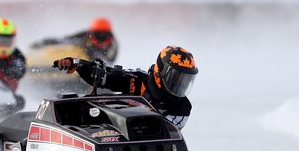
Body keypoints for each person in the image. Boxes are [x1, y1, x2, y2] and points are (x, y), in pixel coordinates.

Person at [55, 46, 198, 129]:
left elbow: (166, 132)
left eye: (185, 80)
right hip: (114, 136)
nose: (181, 84)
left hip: (150, 145)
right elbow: (107, 76)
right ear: (160, 72)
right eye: (176, 78)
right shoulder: (139, 81)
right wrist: (79, 64)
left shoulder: (183, 108)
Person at [31, 17, 118, 65]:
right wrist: (44, 43)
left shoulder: (113, 45)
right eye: (98, 33)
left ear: (109, 33)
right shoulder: (85, 36)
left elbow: (109, 62)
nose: (101, 36)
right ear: (92, 32)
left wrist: (93, 56)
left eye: (103, 34)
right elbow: (64, 40)